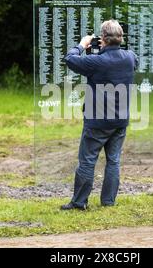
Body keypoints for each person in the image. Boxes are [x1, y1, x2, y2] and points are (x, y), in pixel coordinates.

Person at [61, 19, 138, 210]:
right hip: (120, 121)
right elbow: (129, 59)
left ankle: (79, 202)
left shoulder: (96, 62)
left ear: (102, 38)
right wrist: (107, 47)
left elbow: (70, 59)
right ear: (120, 38)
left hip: (97, 122)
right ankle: (108, 202)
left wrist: (82, 44)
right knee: (113, 161)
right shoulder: (130, 57)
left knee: (87, 161)